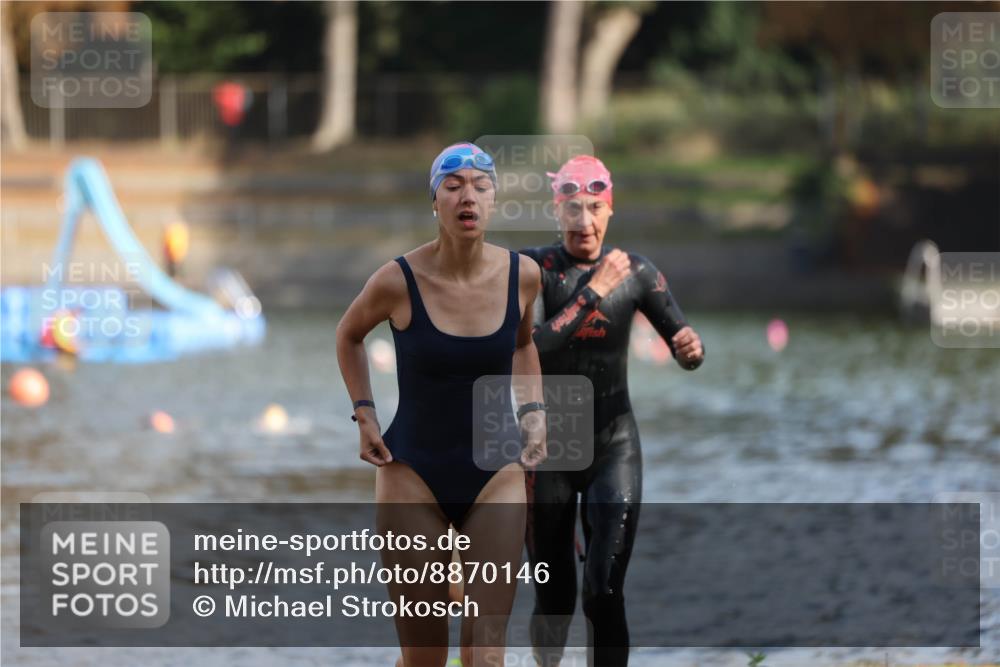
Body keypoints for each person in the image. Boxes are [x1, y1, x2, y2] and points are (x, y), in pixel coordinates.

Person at [336, 142, 547, 667]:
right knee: (424, 658)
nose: (467, 196)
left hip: (496, 473)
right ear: (435, 202)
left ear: (494, 201)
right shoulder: (396, 280)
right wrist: (365, 414)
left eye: (479, 186)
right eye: (453, 187)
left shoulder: (523, 276)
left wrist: (535, 413)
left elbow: (523, 344)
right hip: (412, 474)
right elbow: (348, 336)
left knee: (486, 655)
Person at [520, 155, 705, 667]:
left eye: (595, 207)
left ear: (610, 210)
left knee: (602, 591)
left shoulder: (636, 272)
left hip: (613, 445)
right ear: (557, 212)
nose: (584, 220)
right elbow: (529, 349)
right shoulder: (535, 270)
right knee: (555, 601)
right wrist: (592, 294)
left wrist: (691, 349)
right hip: (548, 452)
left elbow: (684, 342)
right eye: (573, 208)